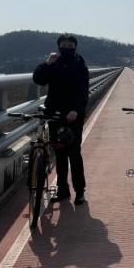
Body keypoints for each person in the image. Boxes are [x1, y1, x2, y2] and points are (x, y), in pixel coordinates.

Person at [33, 33, 90, 205]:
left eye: (70, 46)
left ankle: (80, 191)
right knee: (60, 154)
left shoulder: (80, 64)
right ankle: (63, 190)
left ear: (75, 47)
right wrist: (46, 64)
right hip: (54, 114)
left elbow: (83, 90)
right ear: (59, 47)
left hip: (73, 115)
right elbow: (38, 79)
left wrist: (76, 110)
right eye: (63, 45)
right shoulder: (54, 63)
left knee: (74, 153)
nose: (66, 48)